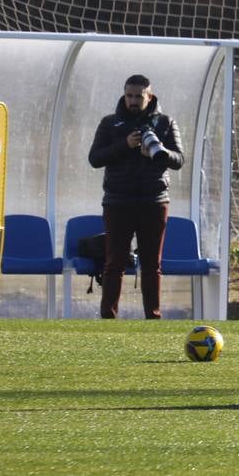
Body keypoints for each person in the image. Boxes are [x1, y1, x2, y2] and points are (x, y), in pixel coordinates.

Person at [87, 74, 184, 319]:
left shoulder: (165, 123)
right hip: (118, 201)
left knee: (152, 264)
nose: (132, 100)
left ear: (148, 96)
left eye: (138, 96)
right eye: (128, 95)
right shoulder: (110, 123)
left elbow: (179, 160)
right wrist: (125, 145)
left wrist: (158, 150)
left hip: (154, 200)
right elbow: (95, 158)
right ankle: (108, 316)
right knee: (114, 263)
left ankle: (153, 316)